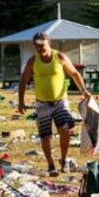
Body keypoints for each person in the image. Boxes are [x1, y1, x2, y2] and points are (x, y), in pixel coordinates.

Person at [18, 31, 92, 176]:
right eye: (37, 46)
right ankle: (51, 165)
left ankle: (63, 160)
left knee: (64, 129)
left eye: (42, 46)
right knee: (45, 135)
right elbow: (23, 81)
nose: (40, 49)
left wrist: (83, 90)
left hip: (60, 101)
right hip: (42, 103)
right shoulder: (33, 61)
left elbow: (75, 74)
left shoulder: (59, 57)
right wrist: (20, 102)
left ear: (49, 43)